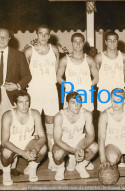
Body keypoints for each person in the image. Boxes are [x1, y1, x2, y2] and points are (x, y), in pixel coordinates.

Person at [57, 32, 98, 172]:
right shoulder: (65, 60)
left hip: (86, 97)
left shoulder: (90, 59)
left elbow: (96, 78)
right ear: (71, 43)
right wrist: (69, 88)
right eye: (75, 42)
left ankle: (84, 158)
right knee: (69, 126)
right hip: (70, 97)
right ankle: (72, 157)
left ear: (84, 43)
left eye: (80, 42)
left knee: (87, 128)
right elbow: (58, 77)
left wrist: (87, 88)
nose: (78, 44)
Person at [24, 25, 60, 171]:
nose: (43, 37)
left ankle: (51, 158)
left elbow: (56, 71)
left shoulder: (55, 50)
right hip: (34, 91)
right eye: (41, 34)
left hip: (50, 90)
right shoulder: (29, 51)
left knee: (50, 126)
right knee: (34, 127)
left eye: (46, 34)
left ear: (49, 36)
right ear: (36, 35)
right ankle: (32, 161)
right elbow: (26, 73)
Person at [0, 27, 32, 176]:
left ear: (10, 38)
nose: (2, 40)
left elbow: (27, 76)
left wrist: (17, 86)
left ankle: (12, 166)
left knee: (11, 129)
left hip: (11, 94)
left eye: (5, 37)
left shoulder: (18, 55)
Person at [1, 90, 47, 186]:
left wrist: (35, 149)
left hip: (27, 142)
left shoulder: (34, 113)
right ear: (15, 104)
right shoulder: (8, 115)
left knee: (43, 148)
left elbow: (42, 137)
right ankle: (6, 172)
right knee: (5, 152)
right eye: (21, 102)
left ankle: (32, 167)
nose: (25, 105)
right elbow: (4, 141)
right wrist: (22, 153)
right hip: (11, 143)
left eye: (27, 101)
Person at [53, 92, 98, 181]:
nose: (77, 105)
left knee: (94, 147)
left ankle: (81, 166)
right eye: (73, 102)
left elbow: (91, 135)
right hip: (64, 143)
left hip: (79, 141)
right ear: (66, 104)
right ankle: (60, 168)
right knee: (58, 154)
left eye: (79, 102)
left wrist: (80, 147)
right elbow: (57, 140)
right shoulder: (59, 116)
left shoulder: (86, 114)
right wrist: (74, 150)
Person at [95, 31, 125, 112]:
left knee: (120, 117)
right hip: (104, 91)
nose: (112, 43)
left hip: (119, 91)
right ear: (106, 42)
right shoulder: (99, 57)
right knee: (103, 117)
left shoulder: (123, 57)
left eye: (114, 40)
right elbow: (95, 77)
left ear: (117, 41)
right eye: (110, 40)